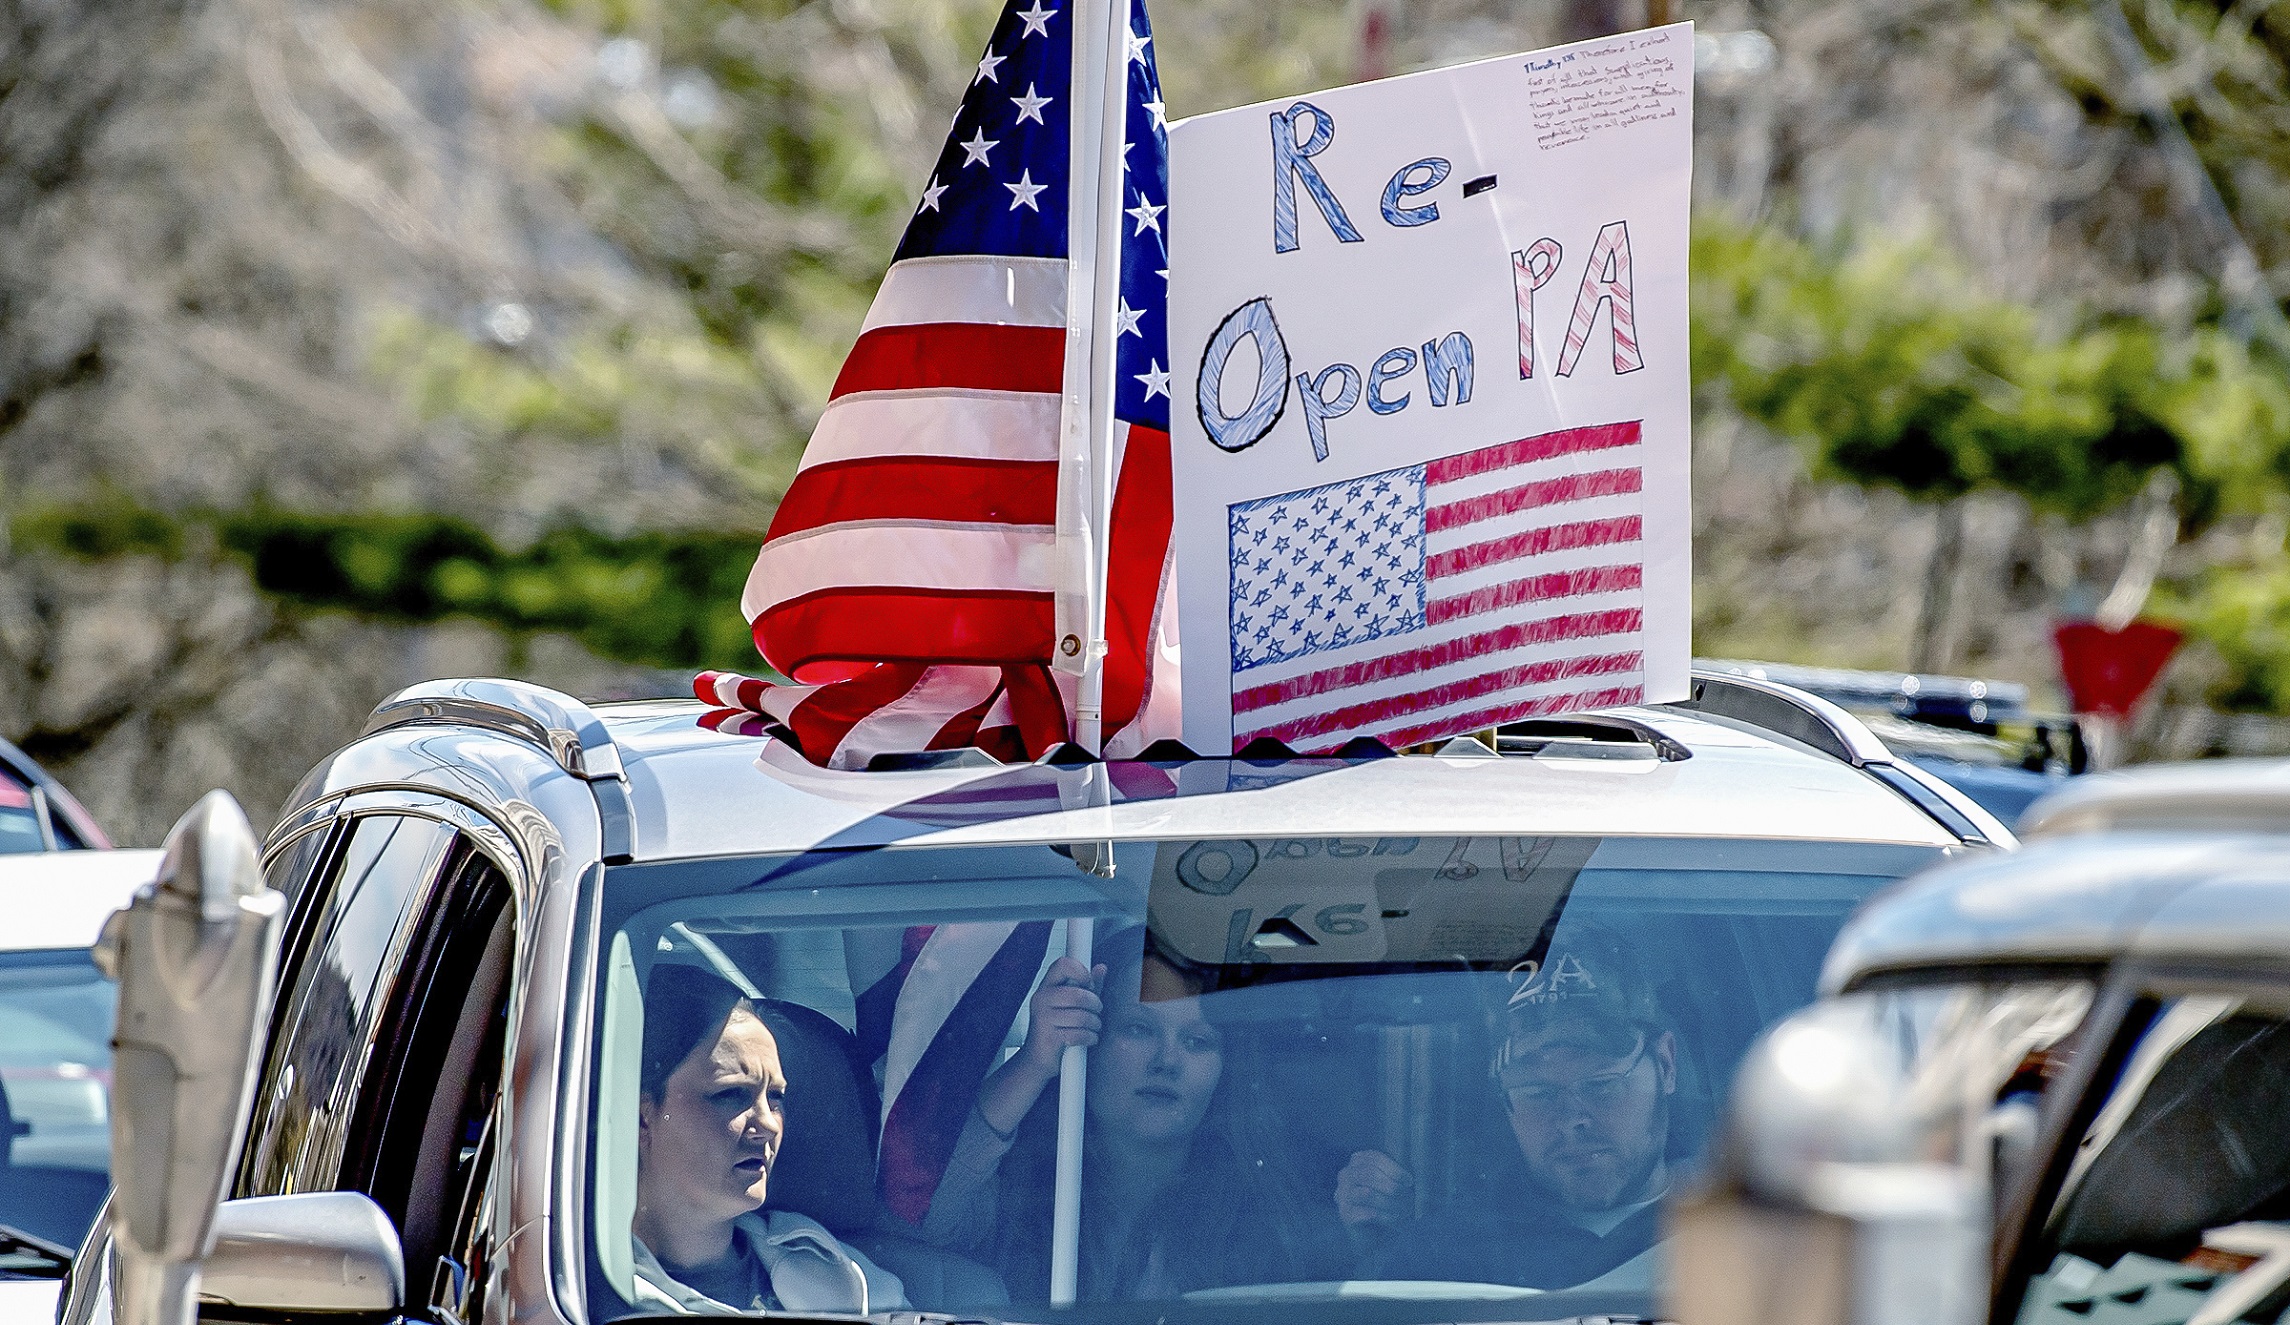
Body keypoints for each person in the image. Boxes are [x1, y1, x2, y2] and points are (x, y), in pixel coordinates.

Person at [914, 928, 1345, 1300]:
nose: (1167, 1061)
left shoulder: (1266, 1215)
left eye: (1197, 1041)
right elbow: (918, 1216)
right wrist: (1037, 1061)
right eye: (1139, 1029)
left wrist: (1365, 1240)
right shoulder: (1018, 1193)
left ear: (1224, 1074)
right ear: (1088, 1042)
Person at [1338, 925, 1680, 1291]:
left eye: (1602, 1085)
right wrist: (1373, 1255)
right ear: (1503, 1097)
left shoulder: (1736, 1227)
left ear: (1665, 1065)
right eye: (1537, 1093)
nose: (1571, 1120)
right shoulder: (1444, 1258)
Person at [630, 964, 910, 1314]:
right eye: (730, 1094)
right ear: (642, 1118)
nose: (768, 1123)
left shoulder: (845, 1279)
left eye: (775, 1096)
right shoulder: (564, 1286)